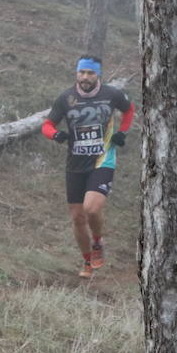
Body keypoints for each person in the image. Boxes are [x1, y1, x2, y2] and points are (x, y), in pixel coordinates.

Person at [42, 55, 135, 278]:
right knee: (77, 217)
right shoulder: (66, 98)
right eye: (82, 72)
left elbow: (129, 110)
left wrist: (122, 132)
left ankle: (97, 242)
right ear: (77, 73)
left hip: (103, 160)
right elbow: (47, 124)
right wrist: (55, 134)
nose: (85, 77)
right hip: (75, 163)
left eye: (90, 73)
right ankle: (87, 262)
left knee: (91, 209)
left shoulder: (111, 94)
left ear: (98, 74)